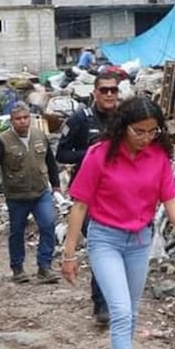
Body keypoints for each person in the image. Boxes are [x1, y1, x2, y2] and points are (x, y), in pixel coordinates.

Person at [60, 97, 175, 349]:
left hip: (140, 240)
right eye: (139, 131)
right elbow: (79, 206)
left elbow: (170, 198)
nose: (146, 137)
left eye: (152, 131)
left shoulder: (159, 156)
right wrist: (69, 254)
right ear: (123, 127)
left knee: (131, 312)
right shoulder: (100, 154)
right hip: (105, 239)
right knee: (120, 311)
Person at [56, 70, 122, 325]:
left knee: (117, 247)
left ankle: (117, 298)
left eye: (113, 90)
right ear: (95, 92)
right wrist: (92, 154)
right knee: (100, 245)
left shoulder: (123, 118)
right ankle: (101, 304)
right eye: (104, 90)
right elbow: (62, 153)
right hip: (88, 194)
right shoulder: (80, 119)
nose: (109, 94)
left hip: (117, 192)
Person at [0, 102, 63, 284]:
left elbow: (50, 161)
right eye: (18, 119)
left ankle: (45, 266)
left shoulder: (39, 136)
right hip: (16, 196)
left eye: (25, 117)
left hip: (41, 192)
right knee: (17, 231)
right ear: (12, 121)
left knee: (48, 225)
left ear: (30, 118)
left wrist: (56, 185)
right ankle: (17, 268)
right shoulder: (3, 141)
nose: (22, 121)